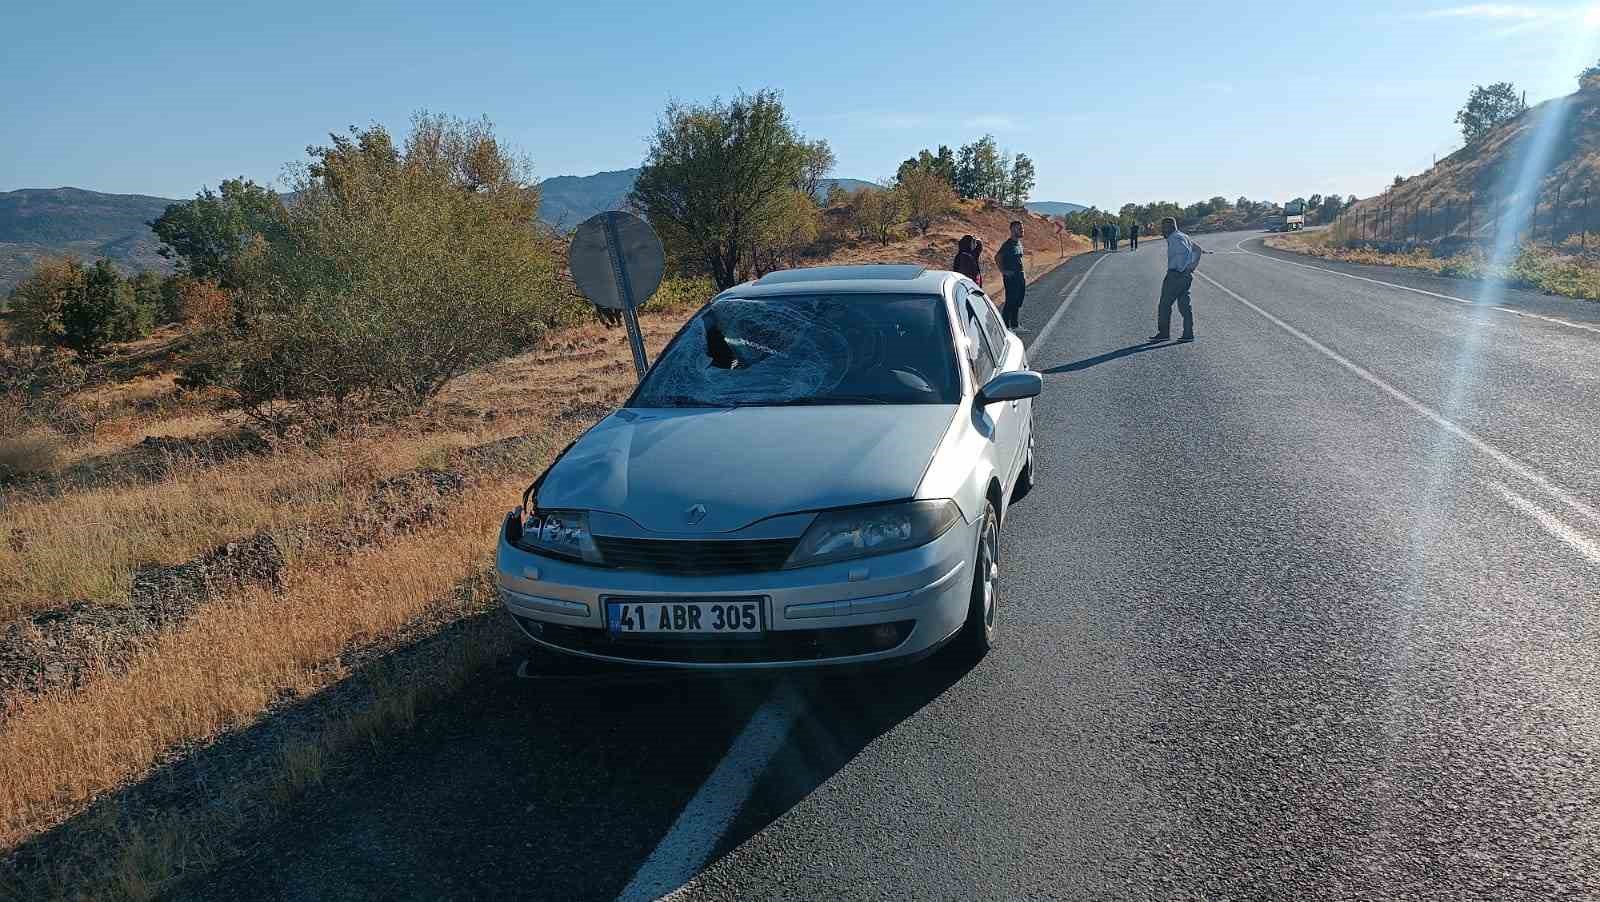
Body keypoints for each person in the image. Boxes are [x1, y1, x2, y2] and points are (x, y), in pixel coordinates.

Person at [1151, 216, 1204, 342]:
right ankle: (1188, 334)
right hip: (1185, 276)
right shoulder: (1183, 236)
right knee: (1184, 305)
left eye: (1163, 228)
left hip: (1176, 275)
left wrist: (1182, 269)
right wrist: (1192, 267)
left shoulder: (1175, 238)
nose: (1162, 231)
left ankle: (1164, 334)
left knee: (1164, 305)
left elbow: (1184, 251)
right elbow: (1198, 250)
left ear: (1169, 227)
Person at [996, 220, 1026, 330]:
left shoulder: (1018, 243)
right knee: (1010, 301)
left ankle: (1015, 325)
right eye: (1019, 228)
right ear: (1012, 229)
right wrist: (1003, 271)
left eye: (1022, 228)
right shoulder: (1007, 244)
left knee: (1018, 301)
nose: (1022, 230)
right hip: (1011, 278)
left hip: (1020, 276)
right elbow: (997, 257)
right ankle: (1005, 327)